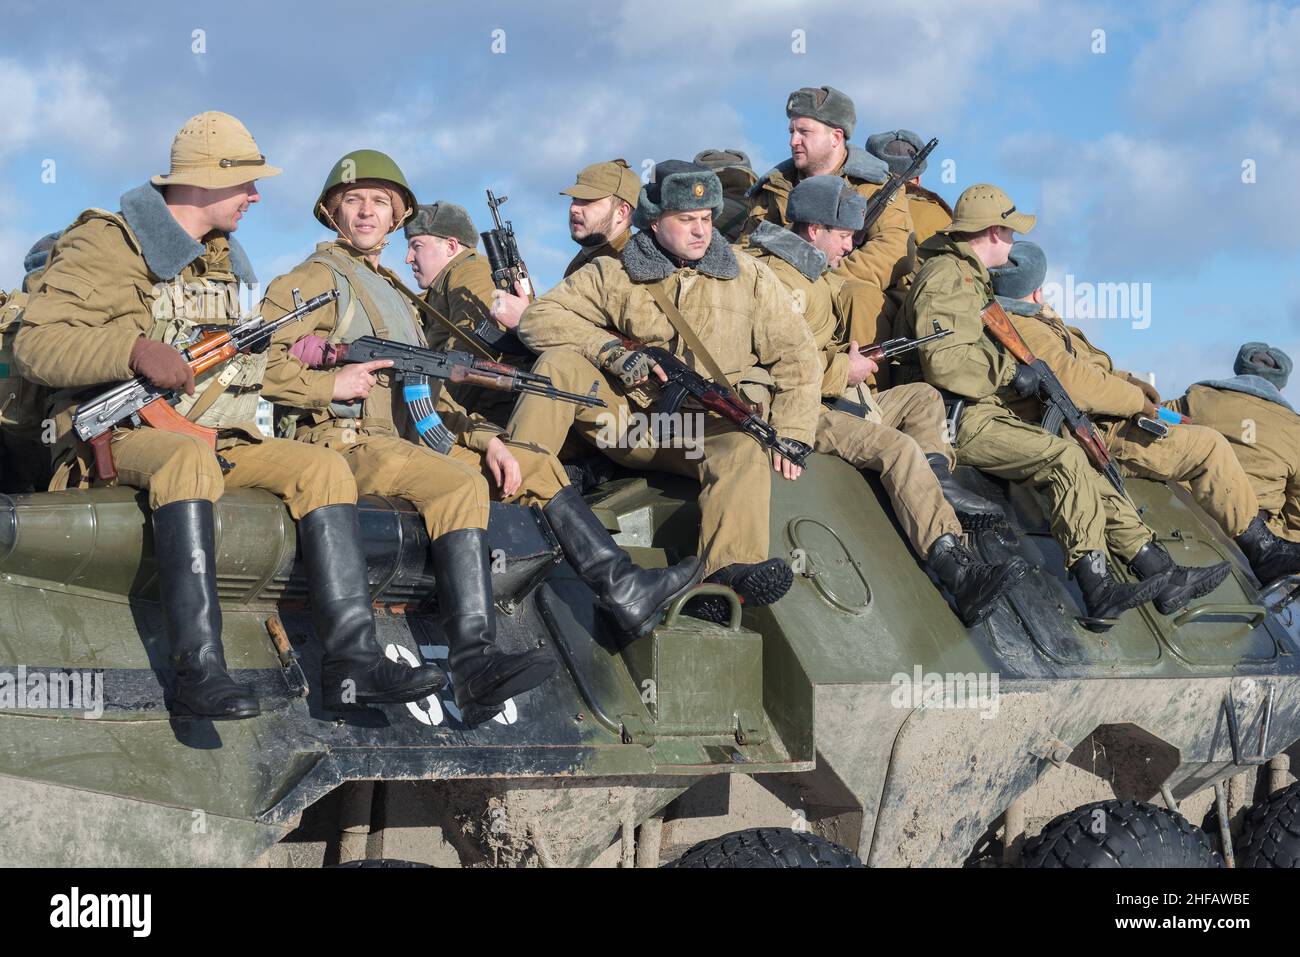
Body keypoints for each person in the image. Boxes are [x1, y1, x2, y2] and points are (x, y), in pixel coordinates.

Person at [13, 113, 444, 719]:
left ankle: (353, 662)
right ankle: (199, 671)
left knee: (322, 469)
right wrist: (132, 351)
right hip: (108, 432)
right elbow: (39, 346)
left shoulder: (219, 260)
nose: (256, 195)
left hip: (206, 430)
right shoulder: (108, 242)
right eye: (246, 182)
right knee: (188, 459)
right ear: (205, 180)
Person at [260, 150, 700, 721]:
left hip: (407, 438)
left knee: (532, 464)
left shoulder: (394, 291)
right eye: (353, 202)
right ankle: (473, 658)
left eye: (379, 204)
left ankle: (622, 587)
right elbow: (258, 365)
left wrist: (487, 438)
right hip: (345, 442)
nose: (366, 213)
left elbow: (430, 395)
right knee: (455, 485)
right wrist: (330, 384)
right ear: (331, 211)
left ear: (396, 218)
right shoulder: (313, 279)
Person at [511, 160, 822, 624]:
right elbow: (538, 319)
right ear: (655, 222)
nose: (700, 231)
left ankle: (725, 578)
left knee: (743, 447)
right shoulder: (613, 272)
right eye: (686, 220)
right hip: (626, 425)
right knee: (559, 363)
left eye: (706, 219)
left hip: (699, 430)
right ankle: (512, 497)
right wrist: (610, 351)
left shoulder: (750, 277)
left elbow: (798, 357)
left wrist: (794, 432)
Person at [903, 184, 1226, 627]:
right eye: (1010, 231)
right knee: (1063, 457)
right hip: (954, 418)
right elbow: (944, 363)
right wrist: (1011, 373)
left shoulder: (966, 277)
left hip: (979, 409)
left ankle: (1159, 571)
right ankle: (1097, 588)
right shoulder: (946, 276)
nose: (1015, 240)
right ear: (993, 232)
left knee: (1085, 464)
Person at [740, 175, 1026, 625]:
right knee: (898, 449)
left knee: (922, 398)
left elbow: (809, 346)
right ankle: (955, 569)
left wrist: (846, 357)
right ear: (813, 231)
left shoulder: (808, 273)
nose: (851, 246)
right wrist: (844, 370)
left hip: (822, 391)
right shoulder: (780, 281)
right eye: (843, 235)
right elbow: (778, 368)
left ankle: (938, 493)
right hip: (792, 410)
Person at [988, 241, 1237, 608]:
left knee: (1094, 476)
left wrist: (1132, 385)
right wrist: (1134, 401)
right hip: (1053, 425)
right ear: (1037, 289)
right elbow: (1076, 381)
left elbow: (1090, 369)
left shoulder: (1041, 322)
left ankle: (1163, 575)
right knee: (1081, 469)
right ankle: (1122, 581)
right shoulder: (1029, 327)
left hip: (1068, 422)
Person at [741, 86, 913, 361]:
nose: (793, 141)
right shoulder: (775, 187)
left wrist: (824, 281)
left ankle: (866, 396)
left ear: (836, 137)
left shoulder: (876, 185)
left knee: (858, 298)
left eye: (804, 132)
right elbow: (748, 247)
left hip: (855, 289)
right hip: (787, 283)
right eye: (791, 132)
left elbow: (893, 251)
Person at [1167, 342, 1300, 562]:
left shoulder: (1196, 399)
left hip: (1185, 524)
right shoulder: (1294, 428)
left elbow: (1151, 425)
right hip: (1257, 546)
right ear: (1280, 387)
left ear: (1239, 370)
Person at [405, 201, 524, 427]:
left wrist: (429, 416)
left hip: (490, 414)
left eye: (416, 246)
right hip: (474, 411)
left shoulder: (470, 272)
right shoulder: (440, 289)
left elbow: (469, 355)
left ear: (450, 246)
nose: (408, 258)